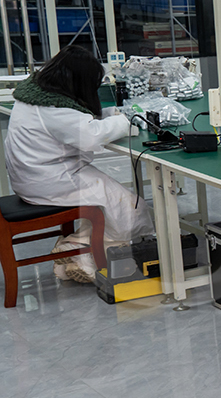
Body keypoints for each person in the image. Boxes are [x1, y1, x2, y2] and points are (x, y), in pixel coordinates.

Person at [3, 45, 152, 282]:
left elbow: (78, 120)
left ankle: (77, 253)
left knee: (106, 204)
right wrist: (124, 121)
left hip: (32, 177)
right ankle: (78, 250)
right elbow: (90, 135)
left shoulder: (37, 93)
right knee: (129, 207)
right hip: (52, 181)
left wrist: (111, 114)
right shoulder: (53, 108)